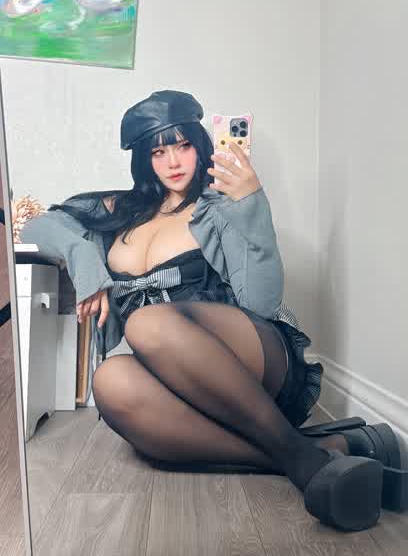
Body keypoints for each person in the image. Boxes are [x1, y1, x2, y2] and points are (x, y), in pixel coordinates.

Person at [20, 90, 407, 532]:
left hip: (249, 361)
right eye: (158, 151)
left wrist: (252, 205)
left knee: (146, 322)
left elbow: (261, 303)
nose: (172, 162)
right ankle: (311, 454)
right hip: (178, 382)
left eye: (183, 145)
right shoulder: (118, 210)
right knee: (109, 380)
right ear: (144, 159)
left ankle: (300, 456)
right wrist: (84, 261)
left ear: (201, 144)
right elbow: (39, 225)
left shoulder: (217, 205)